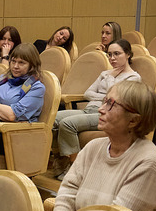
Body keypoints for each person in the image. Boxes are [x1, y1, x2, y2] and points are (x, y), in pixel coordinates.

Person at [46, 80, 156, 211]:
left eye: (111, 104)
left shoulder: (148, 161)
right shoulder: (93, 147)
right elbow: (67, 195)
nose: (101, 109)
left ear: (133, 120)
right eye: (105, 101)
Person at [54, 38, 141, 179]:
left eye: (117, 54)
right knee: (54, 118)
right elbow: (88, 93)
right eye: (109, 54)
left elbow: (116, 99)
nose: (112, 58)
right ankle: (61, 158)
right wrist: (105, 97)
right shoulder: (105, 73)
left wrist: (110, 82)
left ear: (128, 54)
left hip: (107, 115)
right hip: (89, 109)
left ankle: (75, 167)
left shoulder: (133, 78)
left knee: (67, 123)